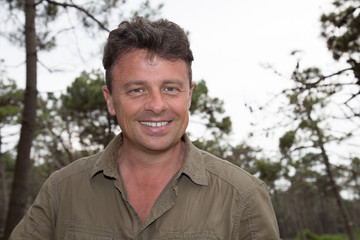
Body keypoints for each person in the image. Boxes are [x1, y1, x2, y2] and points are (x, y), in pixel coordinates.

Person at [10, 17, 280, 239]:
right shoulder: (61, 191)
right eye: (137, 89)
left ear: (189, 95)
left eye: (170, 89)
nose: (156, 105)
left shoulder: (243, 196)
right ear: (110, 100)